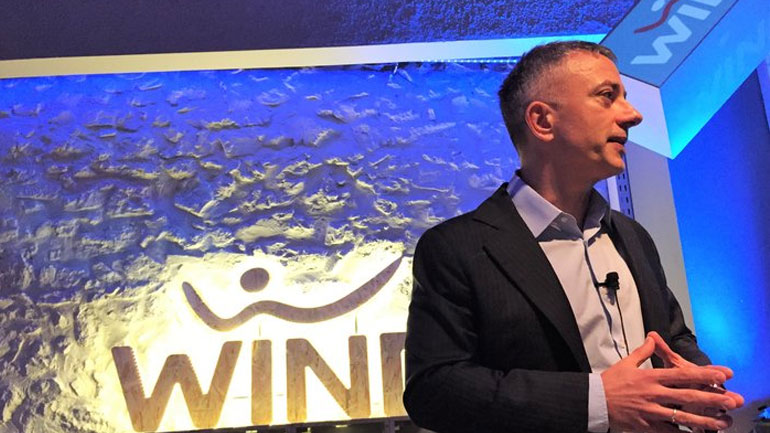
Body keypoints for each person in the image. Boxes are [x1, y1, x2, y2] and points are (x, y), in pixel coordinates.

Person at [403, 41, 744, 433]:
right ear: (542, 121)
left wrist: (698, 382)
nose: (632, 115)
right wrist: (598, 402)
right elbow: (435, 390)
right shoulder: (457, 248)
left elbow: (672, 336)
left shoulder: (633, 236)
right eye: (607, 96)